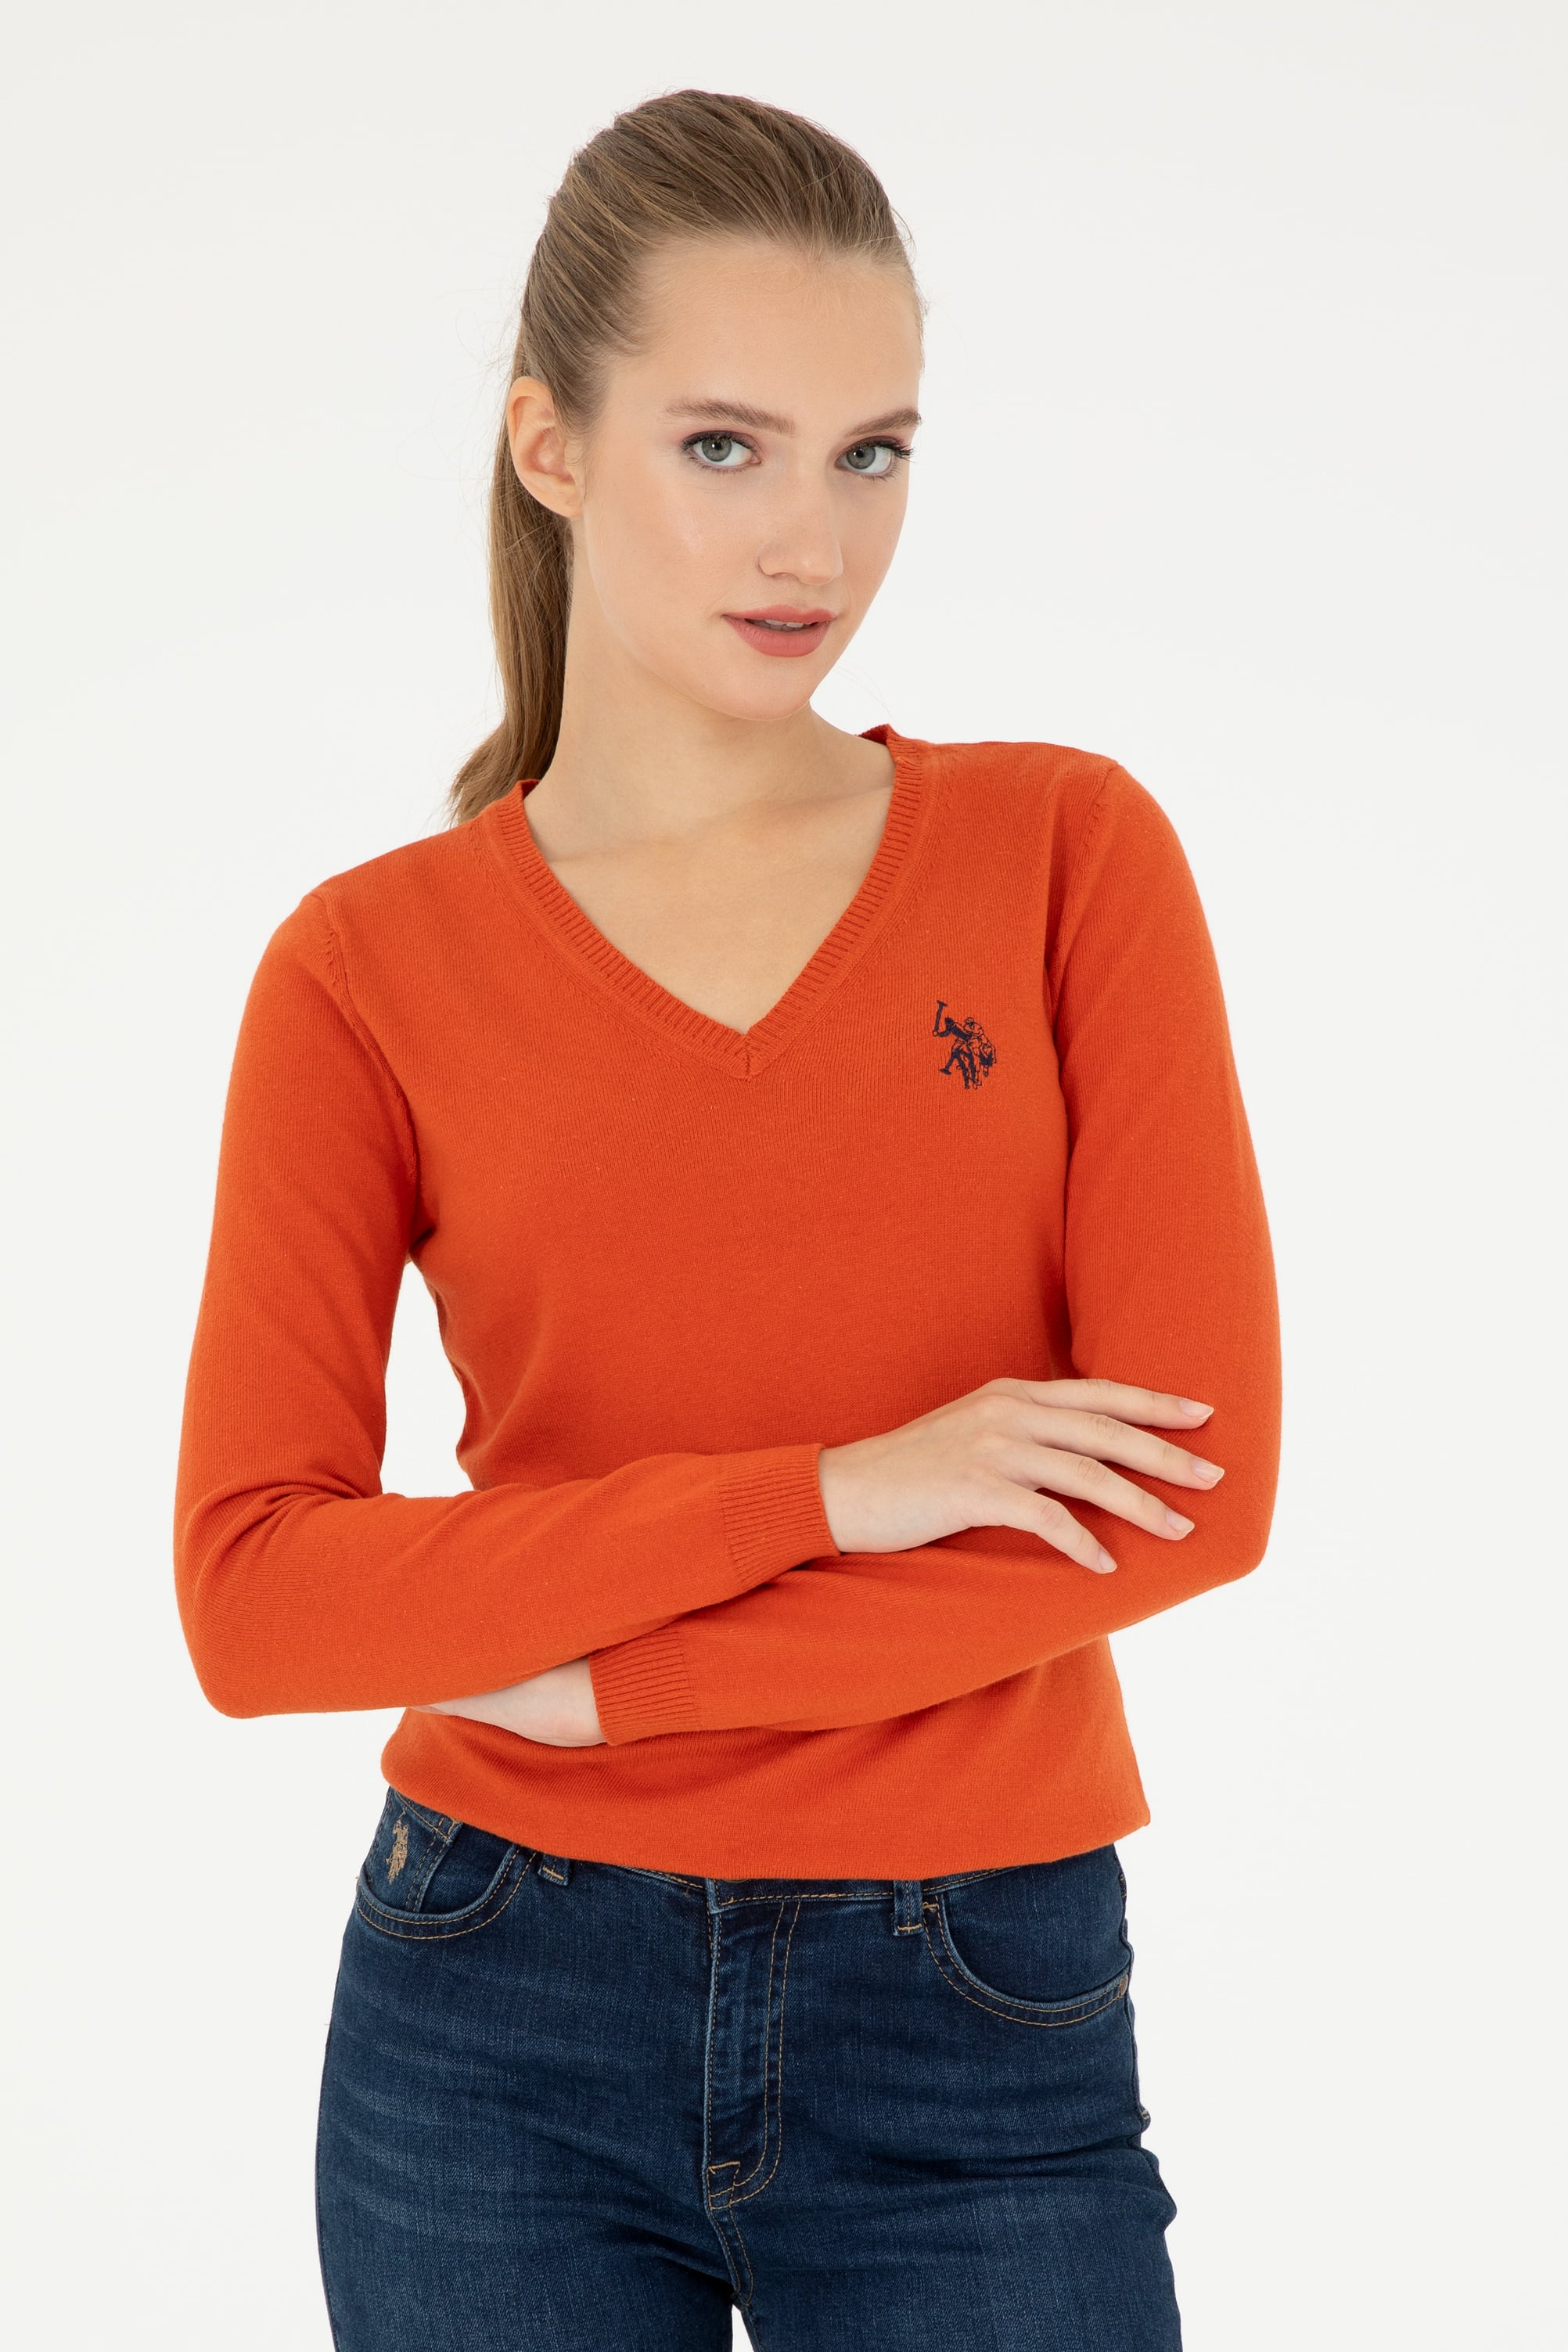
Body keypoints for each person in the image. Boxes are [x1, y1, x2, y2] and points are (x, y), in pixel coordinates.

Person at [174, 88, 1281, 2352]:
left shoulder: (1064, 854)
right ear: (551, 447)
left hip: (972, 1997)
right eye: (723, 446)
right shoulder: (365, 970)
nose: (813, 538)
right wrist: (836, 1494)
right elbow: (256, 1595)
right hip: (490, 2002)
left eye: (872, 453)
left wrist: (604, 1692)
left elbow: (1193, 1493)